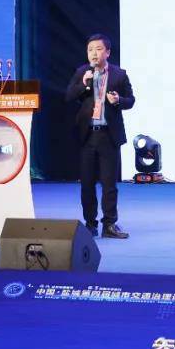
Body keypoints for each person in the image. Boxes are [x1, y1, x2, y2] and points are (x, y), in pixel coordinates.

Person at [65, 33, 134, 239]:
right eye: (90, 50)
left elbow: (131, 100)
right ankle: (90, 224)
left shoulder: (119, 75)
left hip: (108, 136)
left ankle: (109, 224)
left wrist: (119, 100)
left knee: (109, 184)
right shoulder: (81, 72)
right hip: (87, 136)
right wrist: (84, 84)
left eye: (98, 49)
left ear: (108, 52)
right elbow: (68, 96)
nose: (94, 53)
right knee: (87, 184)